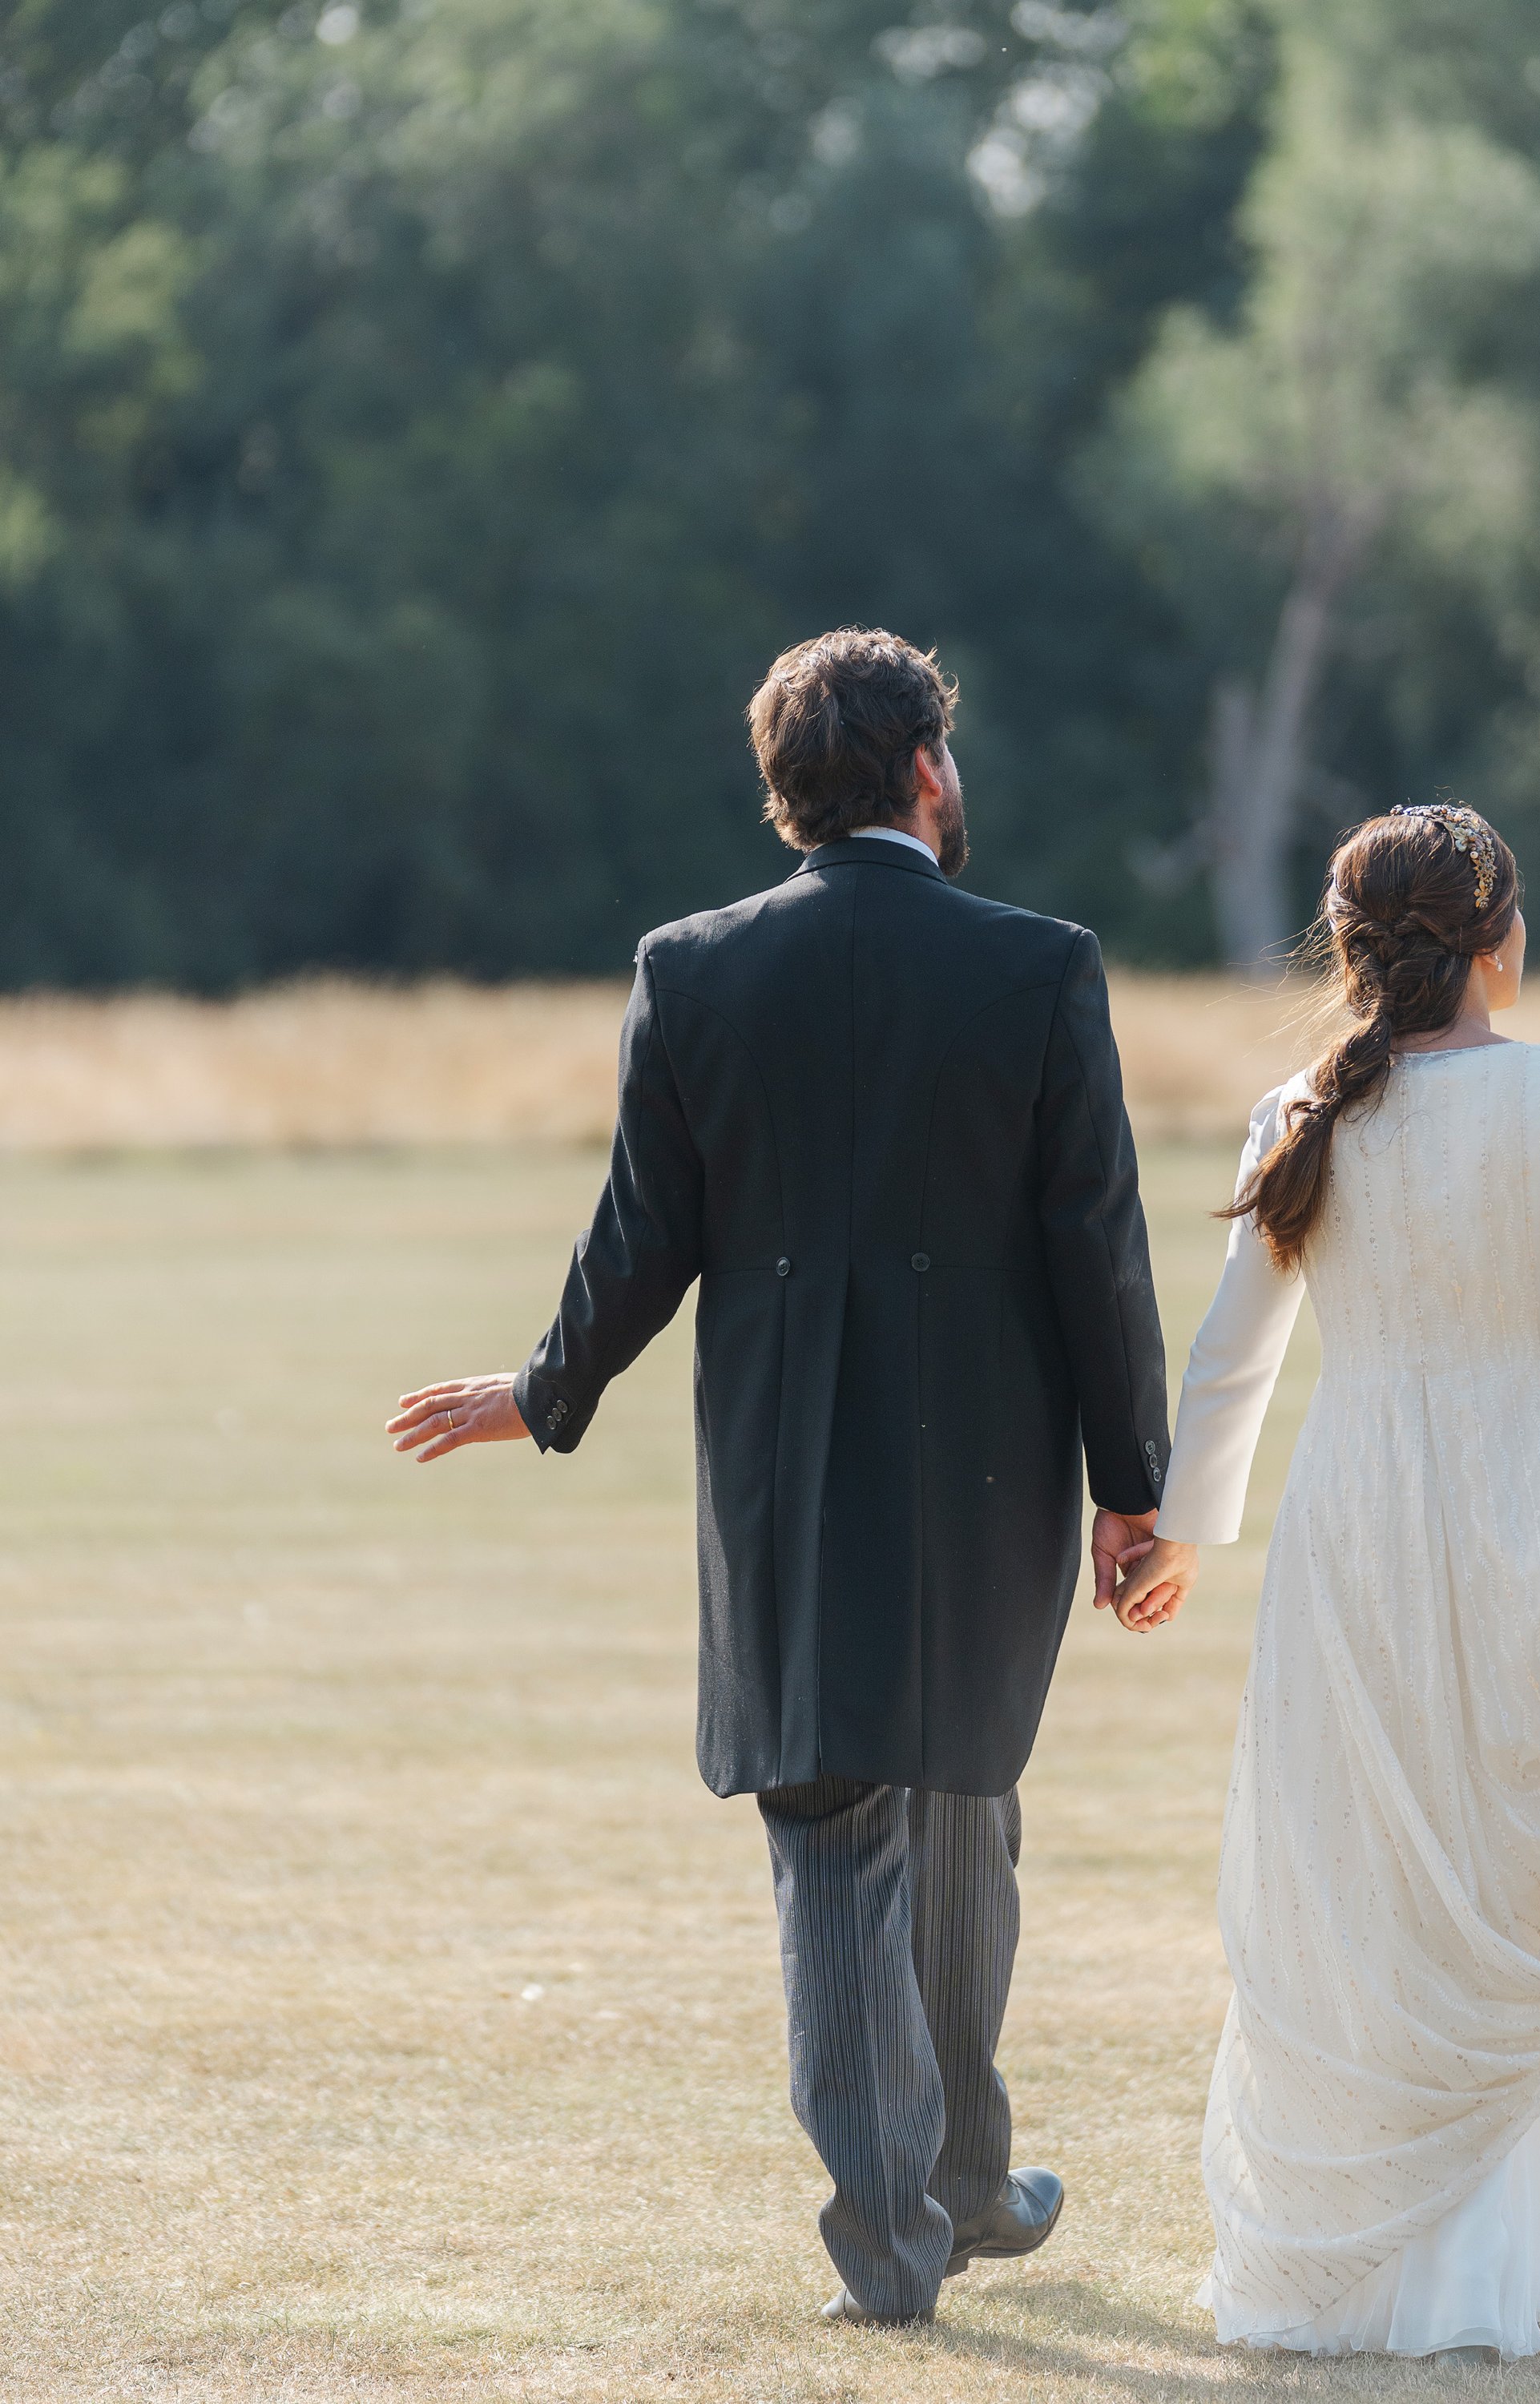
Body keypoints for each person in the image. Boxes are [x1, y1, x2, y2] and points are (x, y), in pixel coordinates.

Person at [387, 628, 1171, 2328]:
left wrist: (543, 1391)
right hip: (993, 1478)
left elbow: (639, 1237)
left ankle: (916, 2226)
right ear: (926, 772)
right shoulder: (1040, 966)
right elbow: (1093, 1248)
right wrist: (1132, 1488)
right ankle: (953, 2192)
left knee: (836, 1841)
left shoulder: (692, 969)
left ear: (783, 792)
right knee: (957, 1807)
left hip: (786, 1484)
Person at [1114, 805, 1540, 2364]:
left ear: (1350, 947)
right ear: (1499, 935)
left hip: (1356, 1528)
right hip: (1530, 1523)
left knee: (1375, 1887)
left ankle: (1384, 2271)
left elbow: (1232, 1356)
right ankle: (1486, 2264)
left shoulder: (1304, 1106)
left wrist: (1183, 1537)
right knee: (1512, 1873)